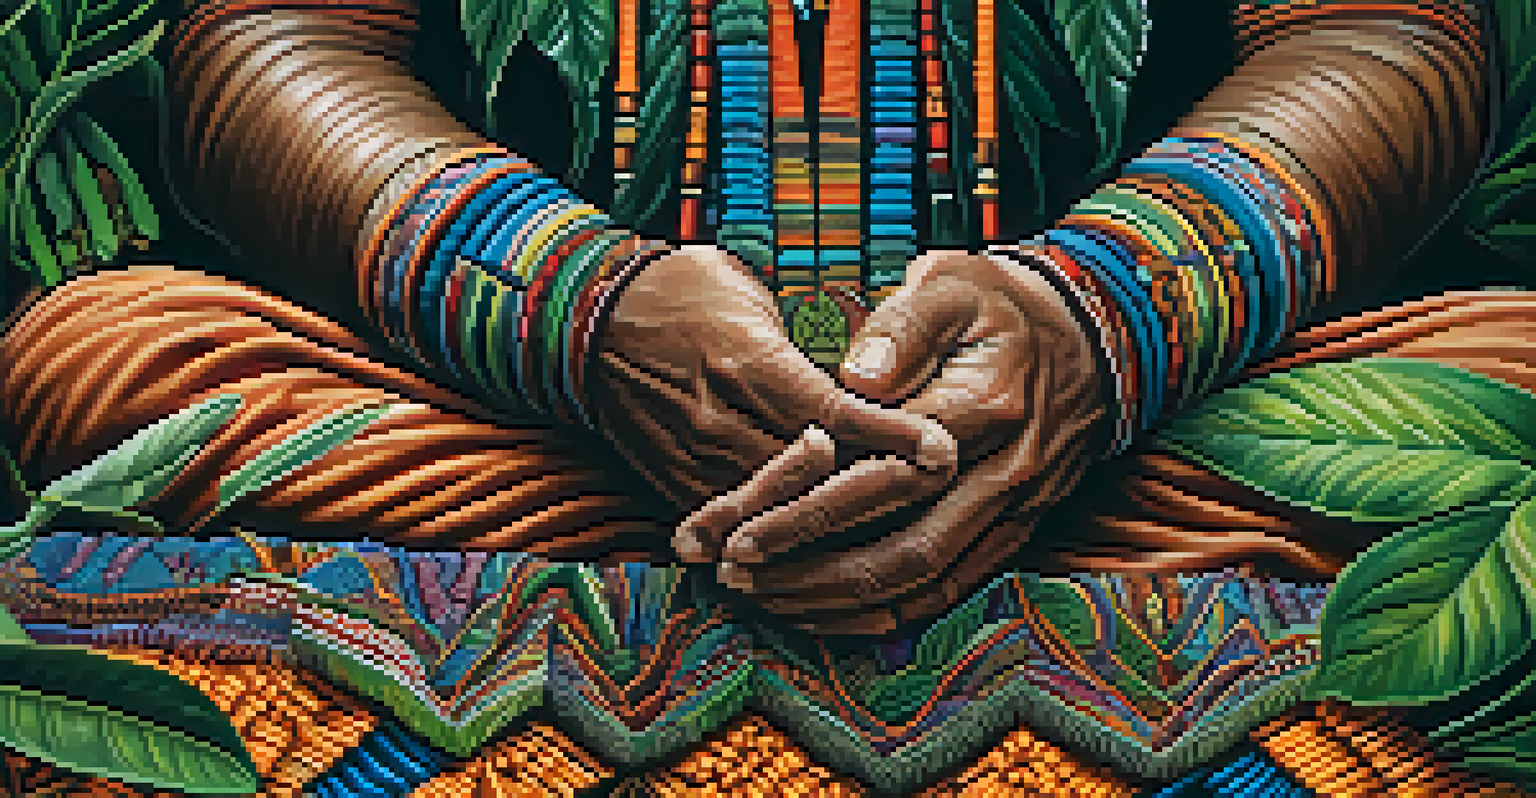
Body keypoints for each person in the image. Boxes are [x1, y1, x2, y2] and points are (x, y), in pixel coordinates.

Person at [0, 0, 1497, 634]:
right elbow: (274, 40)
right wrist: (583, 307)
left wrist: (1092, 322)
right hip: (559, 433)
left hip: (1106, 447)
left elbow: (1380, 35)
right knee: (114, 361)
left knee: (1510, 385)